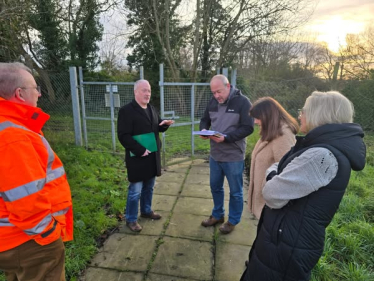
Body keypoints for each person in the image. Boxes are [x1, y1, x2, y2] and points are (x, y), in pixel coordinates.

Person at [241, 91, 366, 281]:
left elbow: (272, 192)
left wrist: (273, 174)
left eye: (304, 111)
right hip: (287, 237)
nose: (300, 115)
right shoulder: (320, 147)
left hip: (286, 244)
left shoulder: (321, 156)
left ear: (319, 114)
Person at [0, 62, 73, 281]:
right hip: (29, 241)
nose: (39, 94)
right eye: (35, 88)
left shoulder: (10, 126)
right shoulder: (13, 136)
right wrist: (48, 233)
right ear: (19, 94)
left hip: (12, 237)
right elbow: (25, 198)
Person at [117, 79, 174, 232]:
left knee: (149, 187)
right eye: (144, 90)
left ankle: (147, 210)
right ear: (135, 92)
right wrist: (140, 150)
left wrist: (164, 124)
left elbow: (156, 125)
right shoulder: (126, 111)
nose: (147, 93)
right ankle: (131, 219)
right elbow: (123, 136)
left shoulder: (151, 108)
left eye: (149, 90)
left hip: (152, 156)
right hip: (137, 157)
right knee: (135, 191)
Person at [200, 74, 254, 234]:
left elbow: (248, 127)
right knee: (215, 187)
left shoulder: (243, 102)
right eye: (214, 93)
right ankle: (218, 215)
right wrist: (203, 129)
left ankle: (232, 221)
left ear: (228, 86)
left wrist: (227, 138)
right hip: (215, 155)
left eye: (219, 92)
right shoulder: (213, 102)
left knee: (236, 191)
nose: (217, 96)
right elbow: (204, 119)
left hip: (233, 156)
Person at [248, 97, 298, 220]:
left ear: (267, 116)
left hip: (271, 205)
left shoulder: (283, 136)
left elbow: (287, 172)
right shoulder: (270, 131)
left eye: (258, 118)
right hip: (264, 202)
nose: (255, 122)